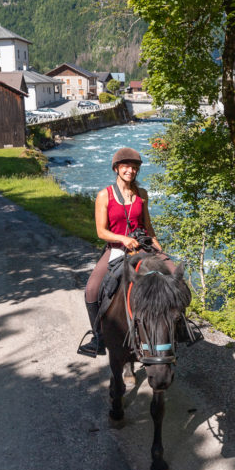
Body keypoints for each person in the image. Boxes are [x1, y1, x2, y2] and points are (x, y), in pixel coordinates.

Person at [78, 147, 171, 357]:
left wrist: (160, 251)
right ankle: (98, 339)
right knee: (92, 290)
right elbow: (101, 231)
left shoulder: (142, 194)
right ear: (117, 168)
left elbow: (148, 226)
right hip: (117, 250)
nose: (131, 170)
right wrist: (123, 238)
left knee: (173, 277)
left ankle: (180, 329)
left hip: (143, 247)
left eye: (134, 167)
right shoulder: (105, 195)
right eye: (126, 166)